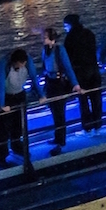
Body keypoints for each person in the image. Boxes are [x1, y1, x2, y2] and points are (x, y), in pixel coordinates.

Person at [37, 26, 76, 154]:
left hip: (59, 83)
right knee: (54, 111)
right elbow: (44, 66)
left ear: (52, 38)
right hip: (50, 82)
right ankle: (57, 137)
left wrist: (75, 84)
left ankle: (61, 140)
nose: (43, 39)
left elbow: (68, 67)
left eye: (45, 37)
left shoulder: (60, 50)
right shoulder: (45, 50)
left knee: (60, 112)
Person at [62, 12, 102, 134]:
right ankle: (98, 126)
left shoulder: (69, 38)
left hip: (80, 73)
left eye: (65, 25)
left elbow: (67, 59)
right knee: (96, 98)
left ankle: (87, 127)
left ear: (69, 25)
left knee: (83, 100)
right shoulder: (89, 33)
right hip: (94, 70)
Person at [0, 46, 33, 166]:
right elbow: (0, 86)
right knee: (3, 130)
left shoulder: (27, 62)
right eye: (20, 64)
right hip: (7, 97)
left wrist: (41, 94)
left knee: (19, 125)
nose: (22, 66)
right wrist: (2, 104)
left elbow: (33, 77)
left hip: (20, 95)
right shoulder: (3, 65)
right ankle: (1, 156)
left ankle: (17, 146)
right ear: (15, 62)